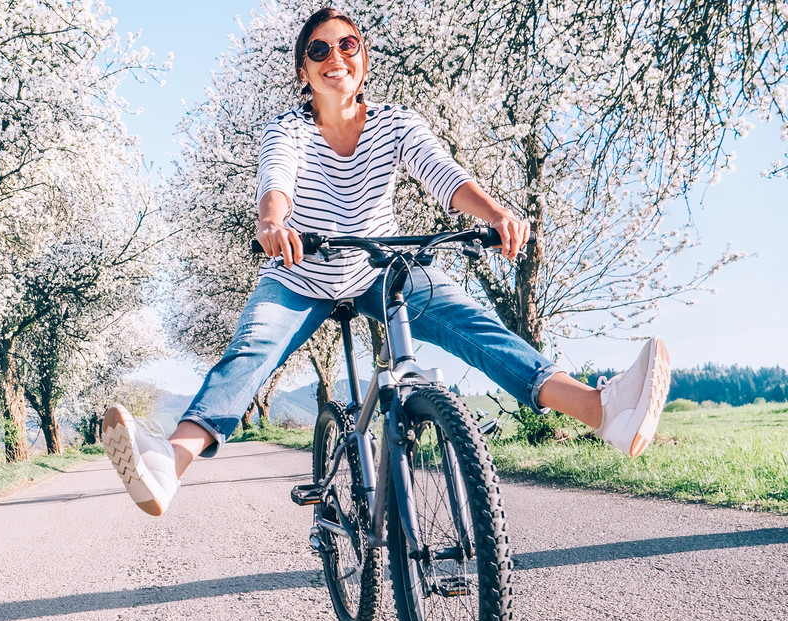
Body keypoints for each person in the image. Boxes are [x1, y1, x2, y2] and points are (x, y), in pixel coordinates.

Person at [102, 7, 670, 517]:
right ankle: (167, 465)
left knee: (475, 326)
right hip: (302, 274)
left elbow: (442, 173)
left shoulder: (396, 123)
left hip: (380, 268)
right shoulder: (289, 129)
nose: (334, 58)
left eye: (347, 45)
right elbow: (276, 182)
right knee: (249, 352)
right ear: (304, 71)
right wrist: (273, 223)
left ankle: (601, 410)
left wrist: (495, 213)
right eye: (319, 50)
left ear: (363, 60)